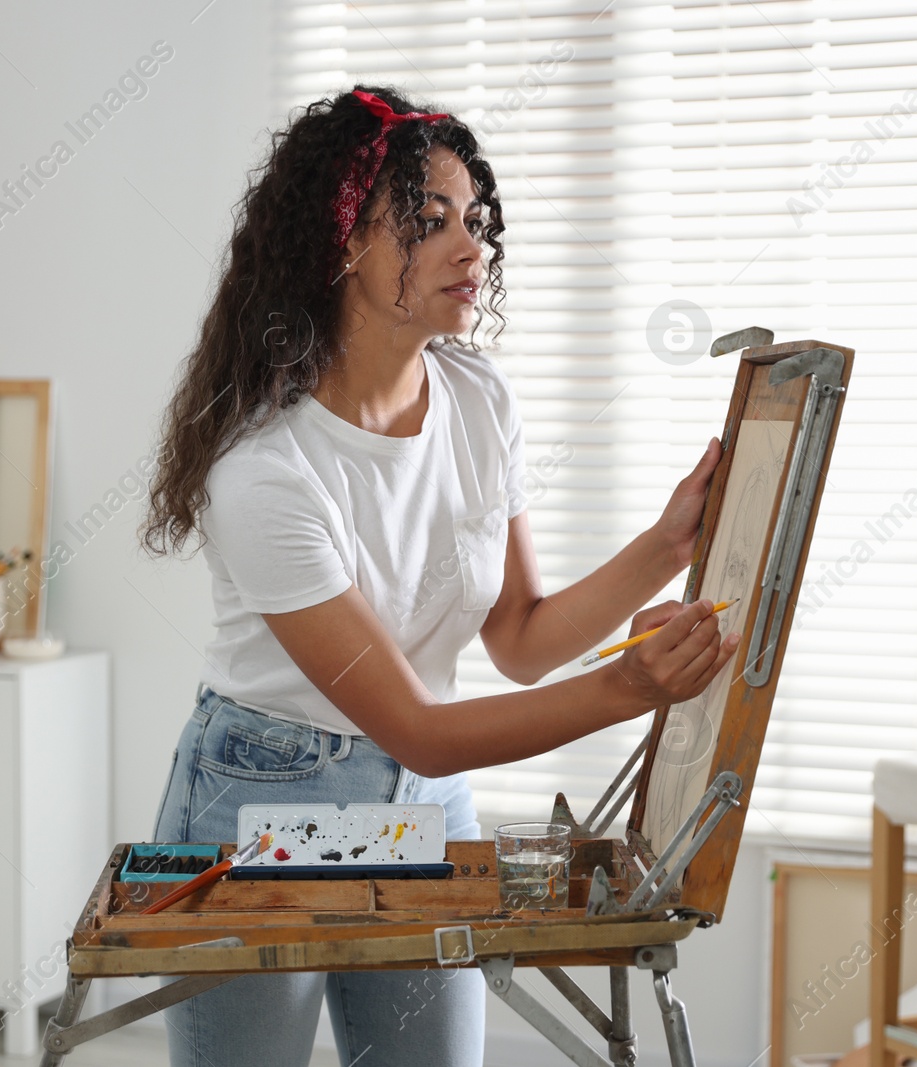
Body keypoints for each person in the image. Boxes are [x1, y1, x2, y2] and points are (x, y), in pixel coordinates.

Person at [140, 84, 738, 1067]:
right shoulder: (264, 473)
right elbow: (418, 722)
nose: (473, 248)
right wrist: (633, 684)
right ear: (340, 242)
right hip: (263, 800)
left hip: (421, 794)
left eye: (475, 219)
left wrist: (664, 546)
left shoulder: (475, 398)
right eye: (428, 222)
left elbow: (520, 636)